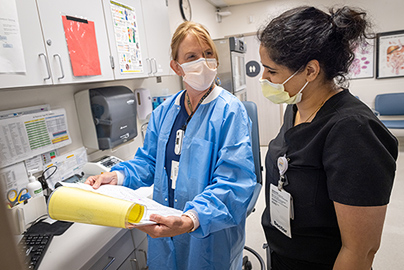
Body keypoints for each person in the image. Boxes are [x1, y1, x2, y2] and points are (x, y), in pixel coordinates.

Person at [85, 21, 256, 270]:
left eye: (208, 54)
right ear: (177, 67)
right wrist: (118, 176)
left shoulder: (230, 111)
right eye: (192, 56)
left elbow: (234, 181)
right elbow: (149, 162)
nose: (203, 61)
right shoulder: (164, 111)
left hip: (208, 232)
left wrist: (191, 218)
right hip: (166, 229)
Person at [258, 6, 398, 270]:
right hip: (283, 256)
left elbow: (359, 251)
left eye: (271, 71)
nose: (263, 78)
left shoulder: (353, 131)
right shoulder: (296, 107)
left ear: (310, 71)